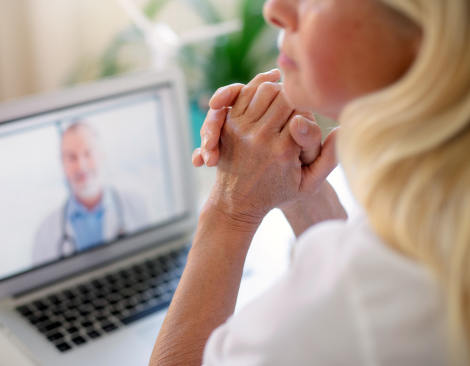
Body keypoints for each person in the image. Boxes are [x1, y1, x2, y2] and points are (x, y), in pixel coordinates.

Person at [150, 0, 470, 365]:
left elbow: (352, 298)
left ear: (430, 35)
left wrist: (229, 211)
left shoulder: (355, 300)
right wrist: (297, 190)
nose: (274, 10)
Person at [33, 122, 148, 266]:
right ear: (63, 165)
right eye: (72, 157)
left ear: (102, 155)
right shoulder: (45, 233)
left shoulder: (136, 205)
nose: (81, 165)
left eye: (88, 153)